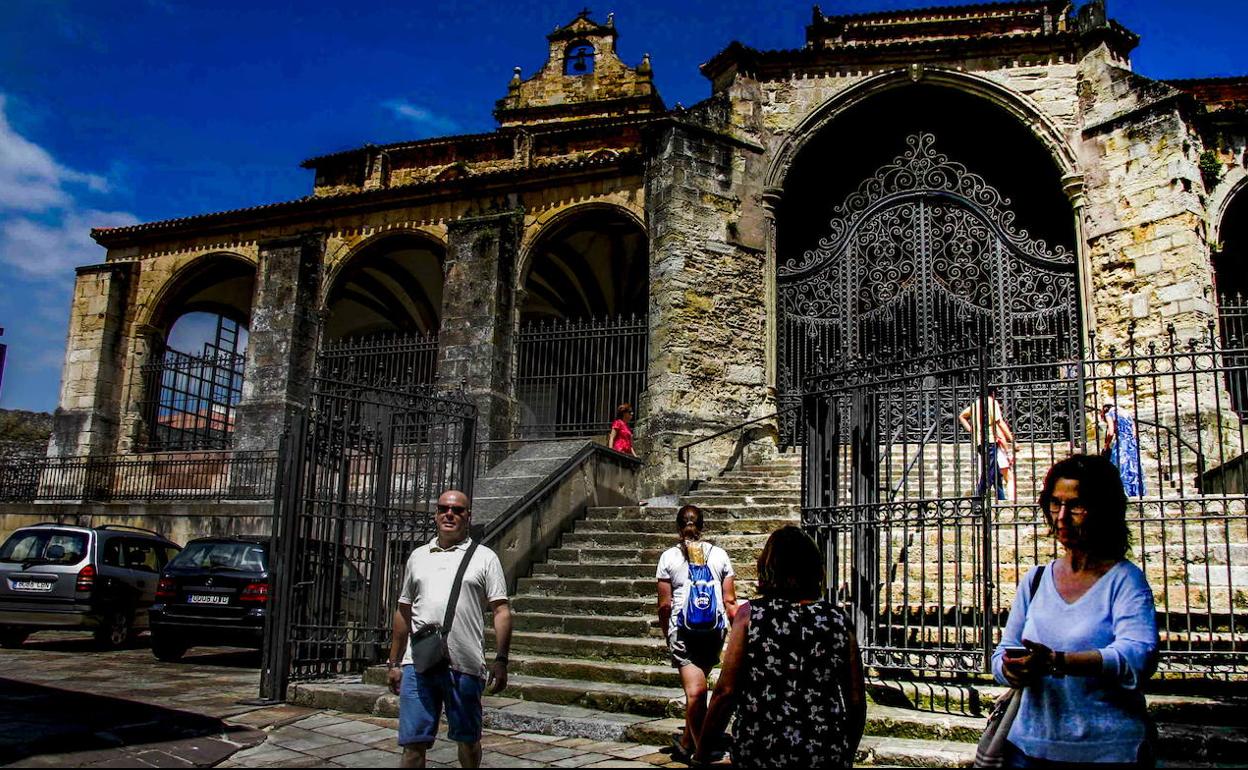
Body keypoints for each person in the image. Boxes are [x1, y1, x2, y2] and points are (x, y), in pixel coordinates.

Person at [993, 454, 1159, 767]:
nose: (1062, 517)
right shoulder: (1036, 580)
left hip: (1107, 751)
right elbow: (1001, 654)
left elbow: (1138, 656)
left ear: (1103, 510)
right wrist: (1012, 668)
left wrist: (1059, 662)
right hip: (1028, 749)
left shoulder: (1125, 580)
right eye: (1055, 504)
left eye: (1076, 505)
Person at [694, 525, 866, 767]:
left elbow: (725, 693)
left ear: (769, 567)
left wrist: (701, 754)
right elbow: (856, 701)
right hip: (822, 751)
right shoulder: (837, 619)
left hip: (761, 748)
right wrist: (844, 753)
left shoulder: (750, 616)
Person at [386, 490, 513, 769]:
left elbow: (501, 611)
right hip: (418, 663)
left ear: (468, 516)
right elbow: (403, 610)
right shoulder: (418, 556)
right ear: (435, 514)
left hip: (464, 664)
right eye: (444, 508)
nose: (449, 514)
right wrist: (394, 661)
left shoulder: (485, 558)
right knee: (412, 745)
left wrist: (501, 659)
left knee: (468, 741)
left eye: (457, 510)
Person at [656, 504, 736, 761]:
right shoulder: (720, 555)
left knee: (695, 692)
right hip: (713, 630)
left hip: (683, 630)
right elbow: (730, 600)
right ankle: (686, 742)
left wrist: (666, 631)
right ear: (703, 526)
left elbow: (664, 604)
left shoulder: (668, 557)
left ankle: (699, 752)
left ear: (678, 527)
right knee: (699, 690)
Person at [959, 386, 1017, 501]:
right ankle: (977, 500)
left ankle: (1001, 499)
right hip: (989, 440)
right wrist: (1012, 440)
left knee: (995, 473)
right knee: (989, 473)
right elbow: (1000, 422)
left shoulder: (975, 404)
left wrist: (972, 430)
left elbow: (962, 416)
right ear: (993, 393)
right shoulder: (991, 402)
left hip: (979, 441)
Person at [1102, 403, 1146, 498]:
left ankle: (1121, 492)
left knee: (1119, 466)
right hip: (1131, 444)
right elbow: (1134, 432)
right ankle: (1135, 492)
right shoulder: (1127, 414)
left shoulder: (1109, 413)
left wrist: (1107, 444)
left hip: (1121, 443)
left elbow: (1110, 432)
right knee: (1133, 466)